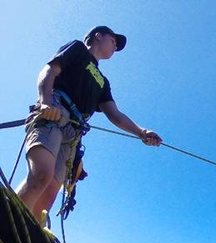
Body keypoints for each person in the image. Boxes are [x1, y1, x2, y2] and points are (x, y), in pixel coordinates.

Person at [16, 26, 162, 224]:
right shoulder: (77, 49)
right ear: (98, 36)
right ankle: (8, 221)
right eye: (113, 40)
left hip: (74, 132)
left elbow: (114, 114)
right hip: (55, 113)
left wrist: (141, 132)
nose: (115, 46)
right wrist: (45, 101)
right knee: (42, 174)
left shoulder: (103, 82)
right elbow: (49, 70)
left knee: (50, 189)